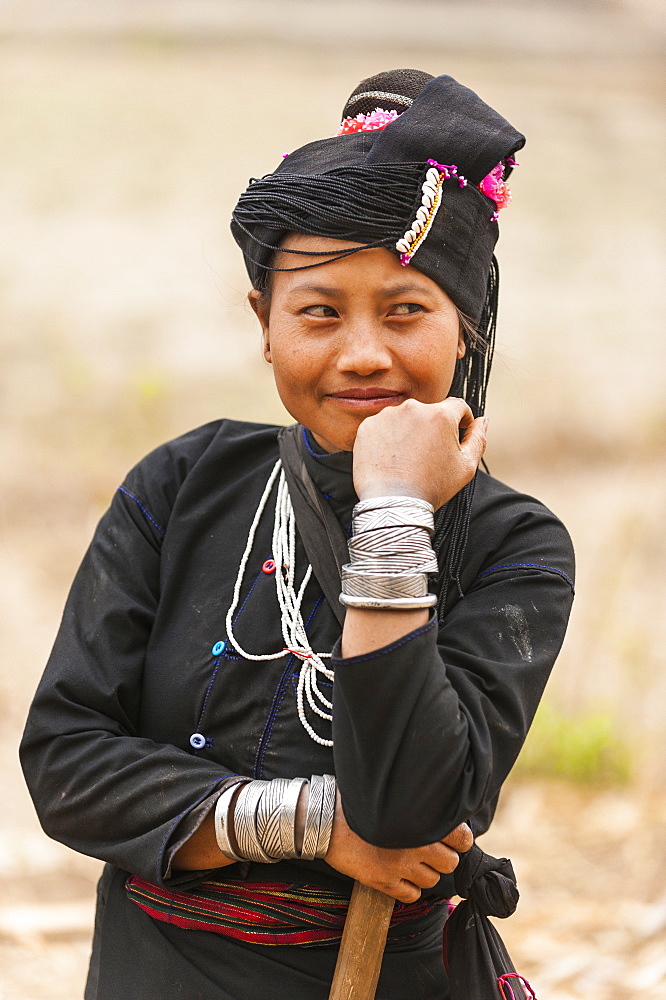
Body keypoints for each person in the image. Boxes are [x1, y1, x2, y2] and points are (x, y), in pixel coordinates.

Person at [20, 69, 574, 1000]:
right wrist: (314, 820)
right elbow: (68, 765)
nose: (363, 352)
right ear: (264, 324)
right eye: (319, 311)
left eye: (406, 310)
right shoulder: (184, 484)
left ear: (467, 330)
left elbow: (409, 807)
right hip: (161, 972)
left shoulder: (514, 545)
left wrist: (396, 507)